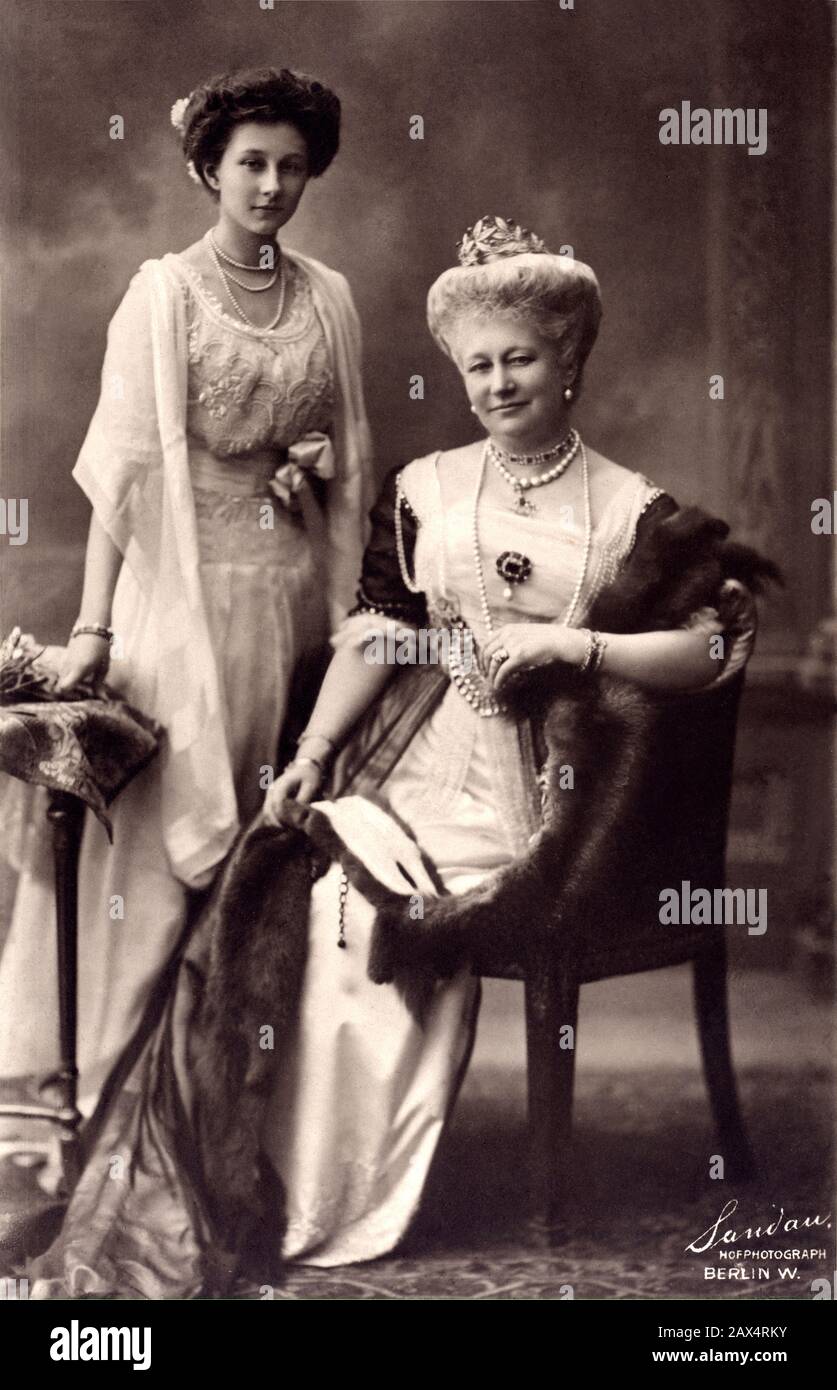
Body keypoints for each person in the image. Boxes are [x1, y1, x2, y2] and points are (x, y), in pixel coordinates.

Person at [25, 215, 765, 1297]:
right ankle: (251, 1185)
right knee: (300, 895)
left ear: (570, 363)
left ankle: (338, 1198)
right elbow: (377, 632)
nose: (498, 383)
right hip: (419, 765)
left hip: (547, 804)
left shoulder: (629, 506)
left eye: (521, 360)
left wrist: (577, 643)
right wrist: (316, 755)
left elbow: (708, 647)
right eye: (479, 366)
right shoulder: (425, 487)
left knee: (376, 925)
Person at [0, 66, 373, 1114]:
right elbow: (120, 482)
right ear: (209, 167)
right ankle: (108, 1086)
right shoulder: (160, 294)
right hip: (175, 602)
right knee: (157, 858)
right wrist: (92, 628)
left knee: (262, 843)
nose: (270, 186)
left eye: (291, 167)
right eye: (250, 163)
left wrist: (309, 487)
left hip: (290, 596)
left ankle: (225, 1101)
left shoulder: (330, 297)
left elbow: (349, 460)